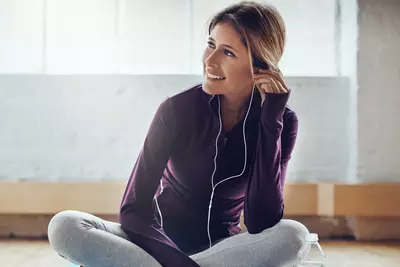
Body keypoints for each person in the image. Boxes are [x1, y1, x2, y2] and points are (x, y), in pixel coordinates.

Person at [47, 1, 309, 266]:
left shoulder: (282, 122)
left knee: (294, 236)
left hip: (223, 251)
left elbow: (261, 221)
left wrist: (270, 119)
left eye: (227, 53)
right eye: (210, 45)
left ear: (261, 65)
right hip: (153, 245)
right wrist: (176, 261)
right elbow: (134, 209)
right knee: (66, 225)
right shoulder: (176, 109)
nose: (210, 61)